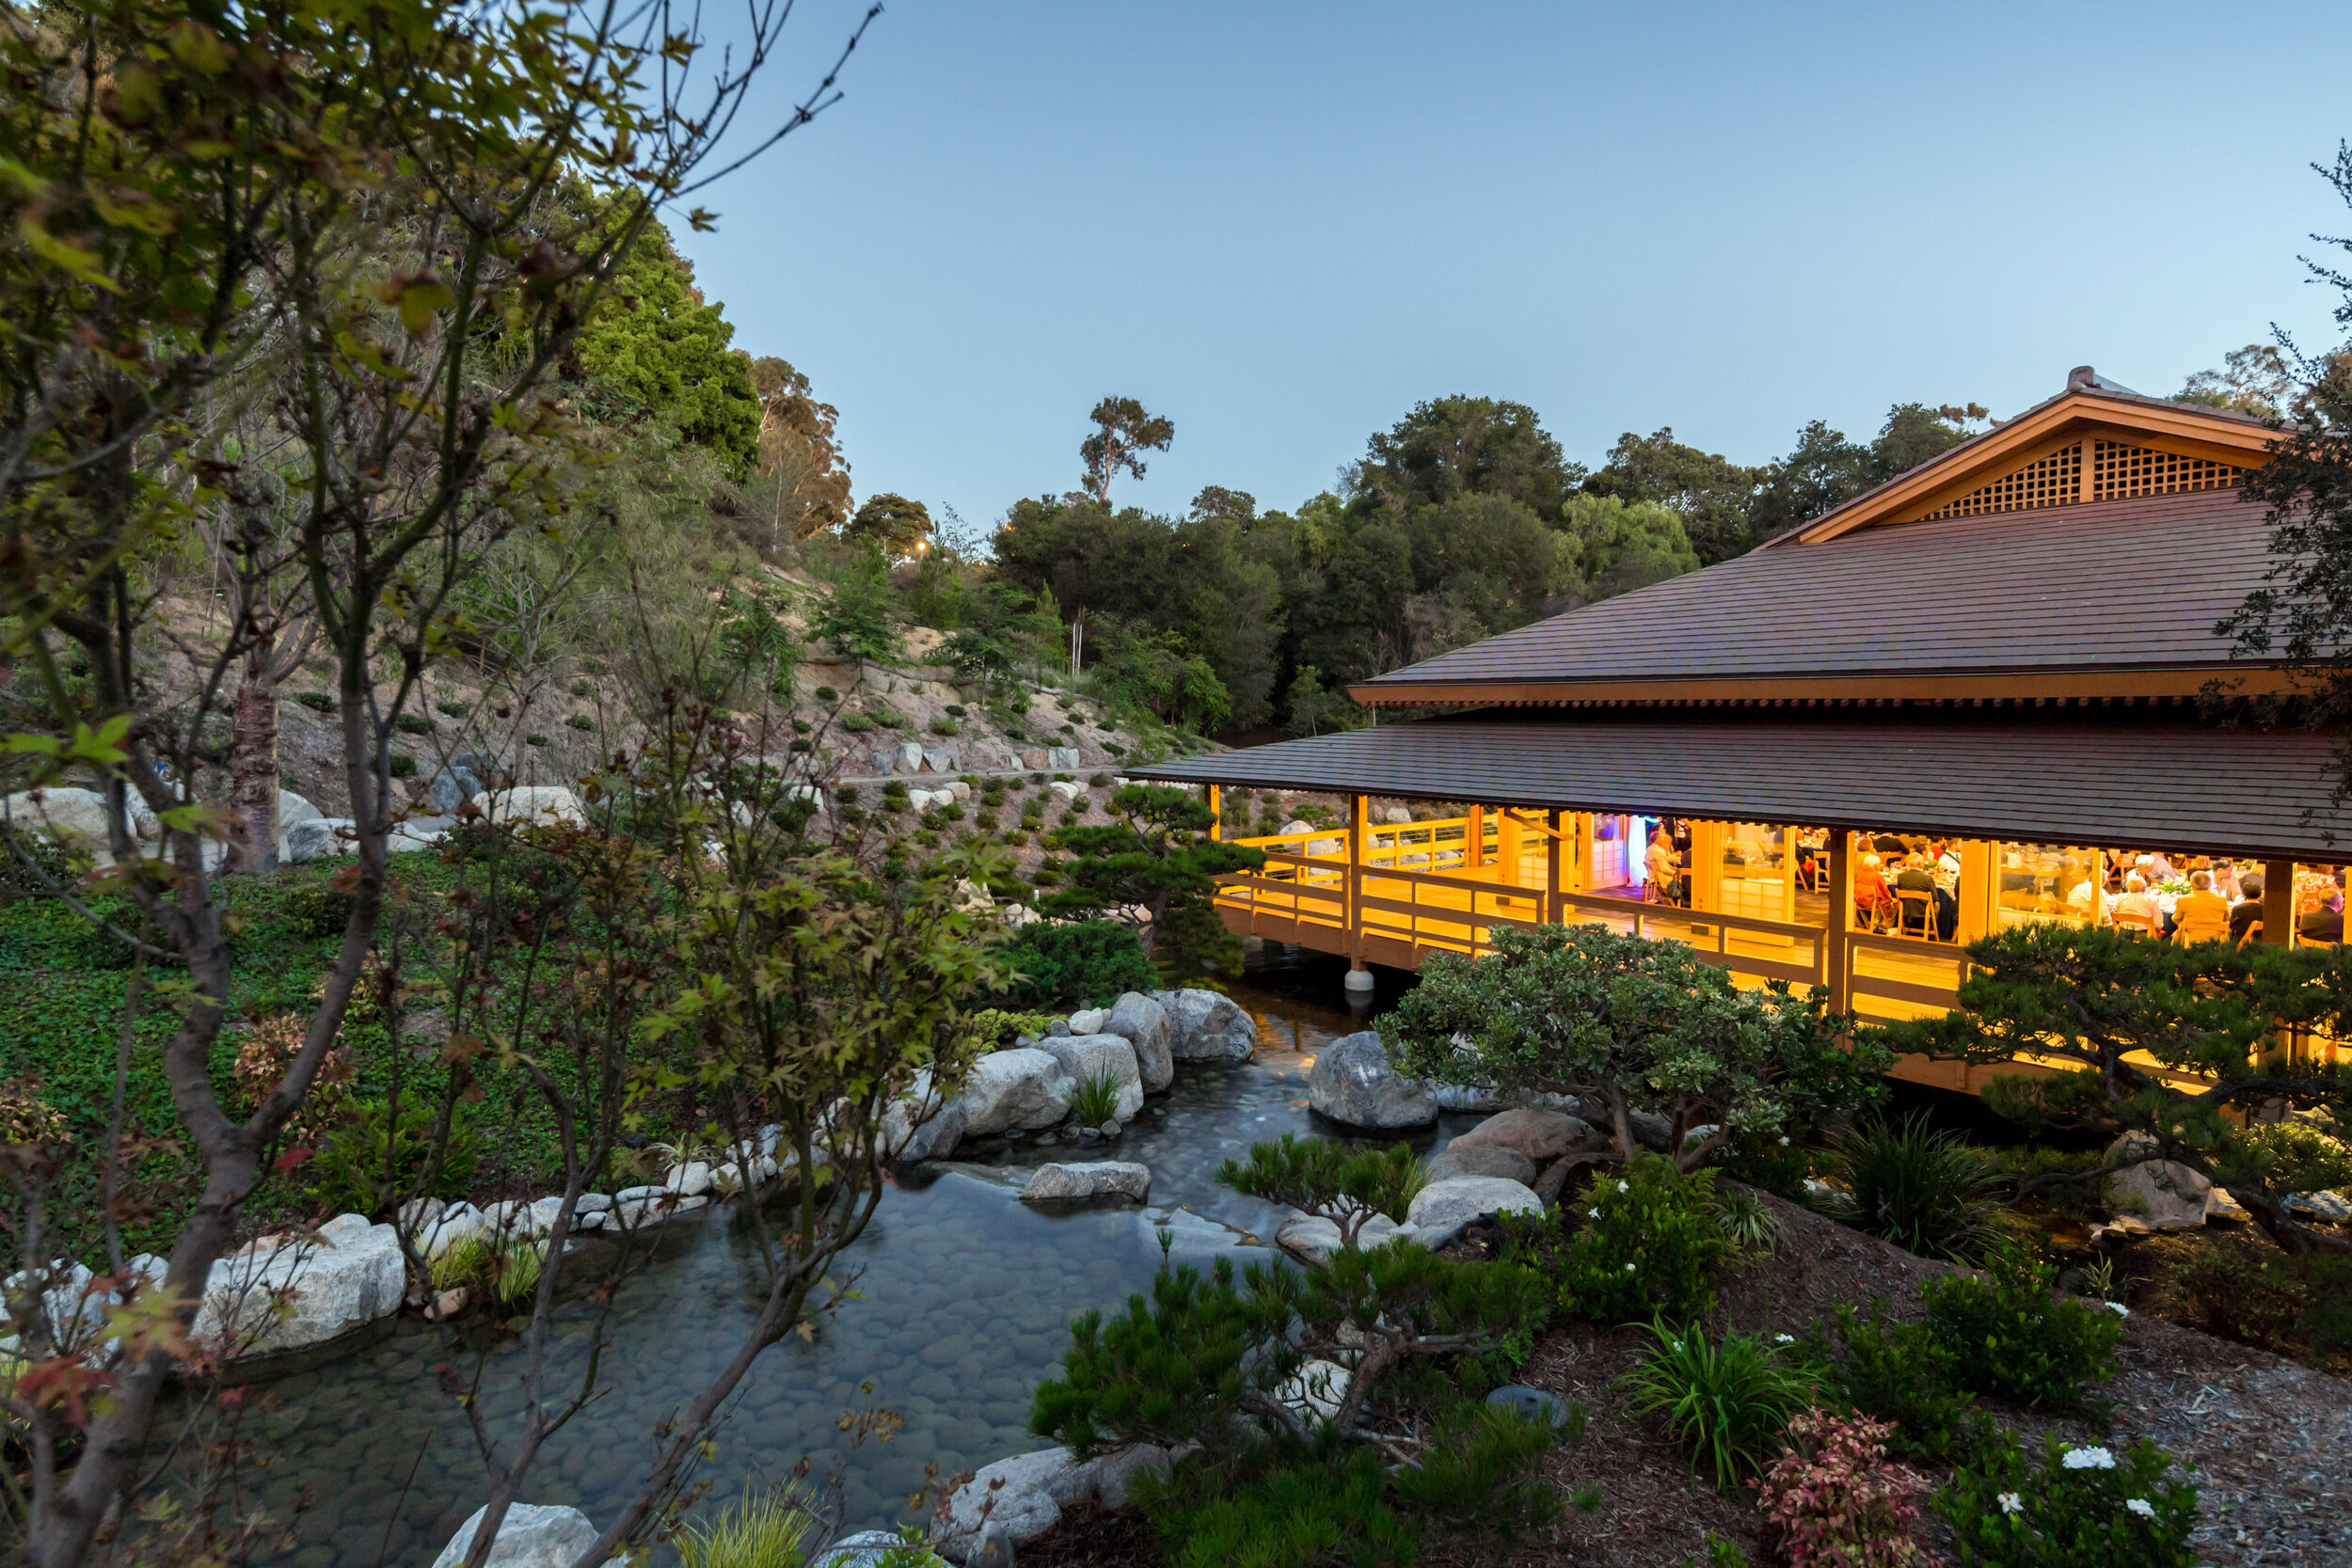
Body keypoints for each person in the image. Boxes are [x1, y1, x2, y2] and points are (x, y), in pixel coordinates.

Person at [2171, 871, 2230, 945]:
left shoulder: (2183, 900)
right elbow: (2227, 919)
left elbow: (2175, 918)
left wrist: (2184, 924)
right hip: (2216, 940)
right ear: (2210, 885)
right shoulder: (2221, 900)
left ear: (2191, 885)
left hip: (2190, 939)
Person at [1645, 827, 1685, 905]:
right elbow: (1663, 868)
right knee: (1684, 878)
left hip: (1656, 874)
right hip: (1660, 876)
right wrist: (1676, 873)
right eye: (1662, 838)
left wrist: (1674, 869)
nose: (1663, 839)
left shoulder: (1653, 848)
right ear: (1657, 840)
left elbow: (1663, 863)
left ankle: (1680, 901)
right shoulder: (1657, 851)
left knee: (1681, 873)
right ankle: (1683, 901)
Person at [2230, 871, 2266, 944]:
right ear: (2260, 894)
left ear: (2243, 893)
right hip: (2259, 941)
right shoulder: (2265, 909)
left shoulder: (2237, 908)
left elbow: (2231, 925)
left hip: (2240, 941)